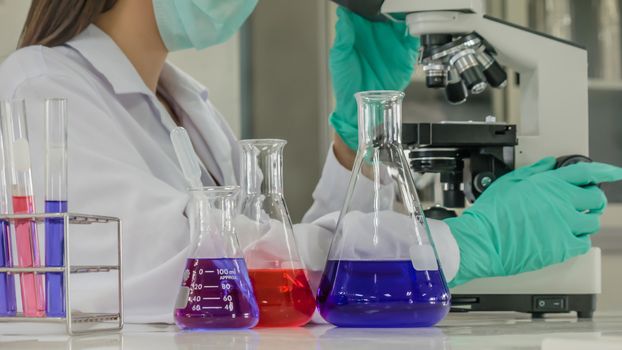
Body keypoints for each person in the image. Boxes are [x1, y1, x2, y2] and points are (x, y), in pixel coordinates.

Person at [0, 0, 619, 323]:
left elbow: (288, 278)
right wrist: (453, 246)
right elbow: (199, 276)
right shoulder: (41, 91)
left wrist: (360, 144)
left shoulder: (184, 107)